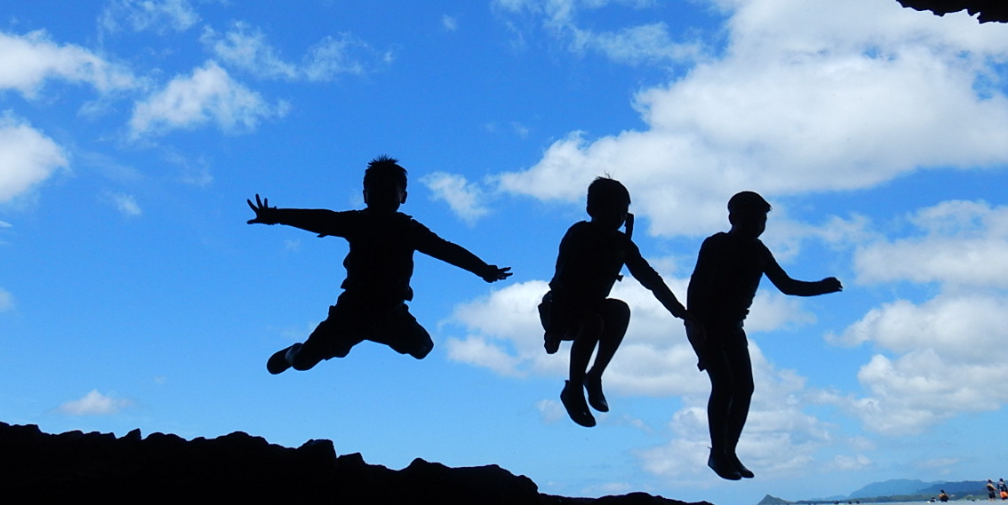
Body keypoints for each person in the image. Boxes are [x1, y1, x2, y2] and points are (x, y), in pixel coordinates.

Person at [248, 156, 511, 374]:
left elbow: (446, 250)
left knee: (423, 348)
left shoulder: (408, 229)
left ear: (403, 196)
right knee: (303, 362)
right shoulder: (357, 222)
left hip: (390, 312)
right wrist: (276, 216)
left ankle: (371, 333)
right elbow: (320, 219)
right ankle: (294, 351)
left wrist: (483, 269)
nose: (383, 195)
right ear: (365, 195)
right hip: (352, 310)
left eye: (390, 190)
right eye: (376, 190)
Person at [685, 191, 842, 480]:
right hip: (706, 325)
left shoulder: (759, 251)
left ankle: (728, 452)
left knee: (744, 388)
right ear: (733, 218)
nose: (758, 225)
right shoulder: (716, 244)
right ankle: (718, 454)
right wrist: (695, 327)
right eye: (753, 219)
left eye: (762, 220)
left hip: (733, 328)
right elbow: (695, 287)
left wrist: (822, 286)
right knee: (724, 386)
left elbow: (786, 285)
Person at [540, 177, 686, 428]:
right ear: (592, 210)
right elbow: (561, 280)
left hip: (592, 309)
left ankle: (593, 376)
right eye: (612, 210)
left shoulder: (622, 244)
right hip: (560, 308)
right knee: (593, 321)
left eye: (623, 211)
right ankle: (574, 390)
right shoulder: (580, 233)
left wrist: (679, 311)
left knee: (619, 309)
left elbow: (650, 278)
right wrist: (553, 330)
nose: (618, 217)